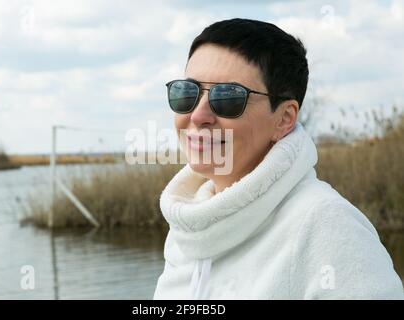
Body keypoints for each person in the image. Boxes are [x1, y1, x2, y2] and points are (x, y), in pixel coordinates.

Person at [153, 18, 403, 299]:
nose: (198, 116)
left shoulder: (325, 226)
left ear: (284, 119)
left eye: (228, 98)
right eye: (187, 93)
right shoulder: (187, 227)